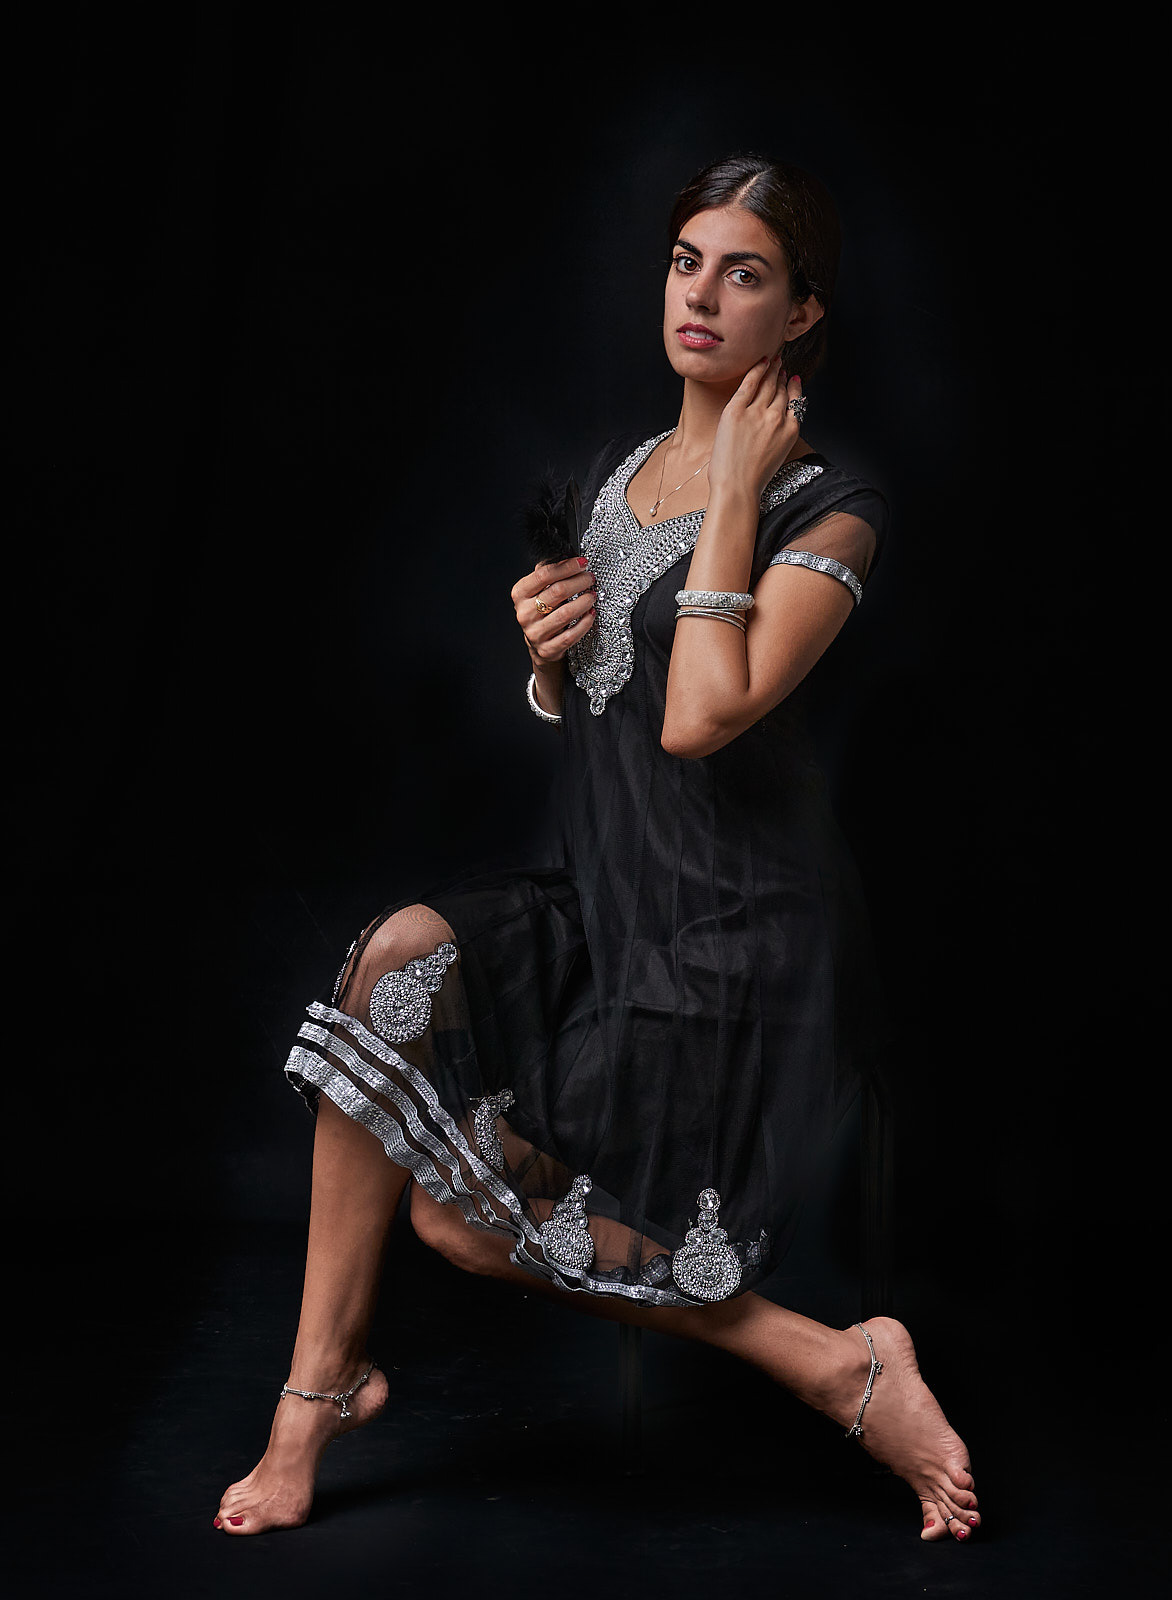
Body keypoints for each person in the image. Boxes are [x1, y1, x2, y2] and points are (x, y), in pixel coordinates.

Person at [214, 153, 980, 1544]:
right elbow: (611, 709)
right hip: (611, 894)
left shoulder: (833, 505)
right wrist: (548, 665)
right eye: (687, 263)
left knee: (454, 1218)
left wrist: (736, 486)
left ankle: (837, 1365)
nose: (703, 296)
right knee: (392, 969)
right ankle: (314, 1393)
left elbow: (699, 718)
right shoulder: (610, 480)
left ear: (803, 311)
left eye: (746, 274)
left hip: (733, 933)